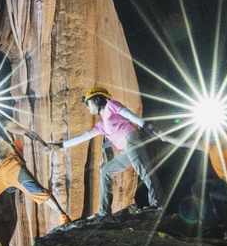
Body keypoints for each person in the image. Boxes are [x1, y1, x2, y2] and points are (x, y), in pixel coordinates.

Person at [60, 85, 160, 215]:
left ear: (96, 100)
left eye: (88, 103)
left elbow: (128, 114)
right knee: (106, 171)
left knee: (144, 170)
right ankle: (104, 212)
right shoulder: (101, 125)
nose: (87, 107)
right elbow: (83, 137)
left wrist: (145, 125)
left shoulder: (111, 105)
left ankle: (157, 204)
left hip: (132, 139)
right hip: (125, 149)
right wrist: (60, 145)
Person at [0, 117, 58, 246]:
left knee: (36, 190)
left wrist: (43, 143)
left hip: (12, 165)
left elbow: (26, 132)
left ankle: (63, 215)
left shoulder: (2, 125)